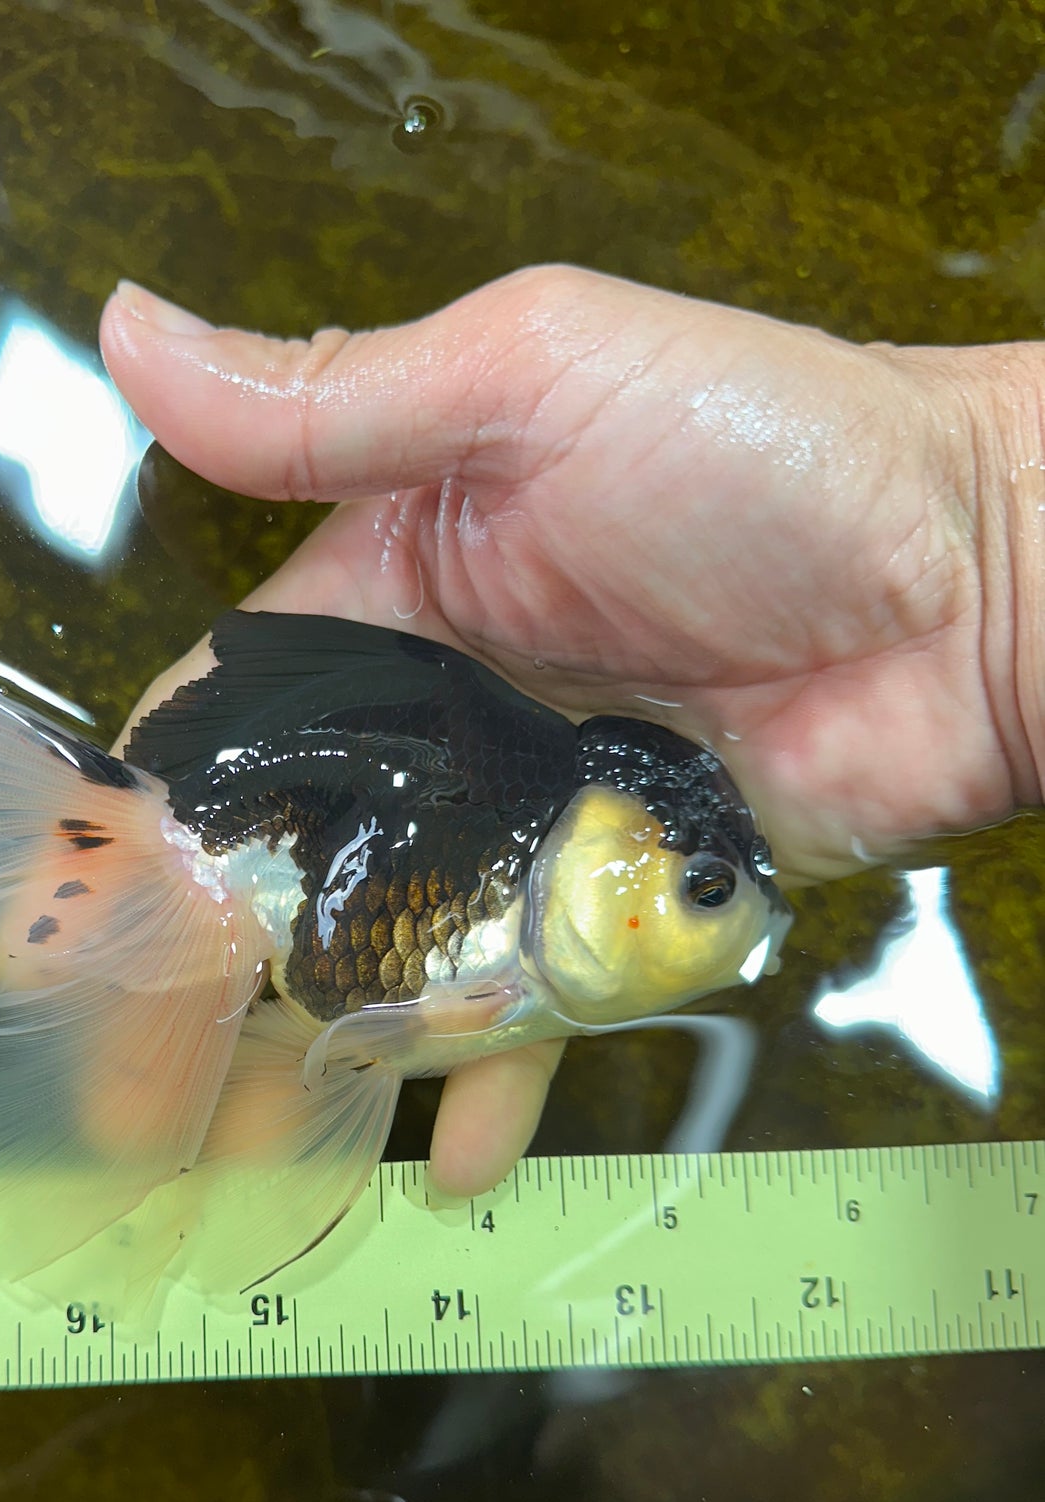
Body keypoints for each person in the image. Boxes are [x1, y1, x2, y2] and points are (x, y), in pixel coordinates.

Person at [98, 264, 1045, 1197]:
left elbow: (366, 1036)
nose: (747, 929)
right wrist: (979, 526)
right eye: (704, 890)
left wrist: (987, 526)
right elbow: (370, 1033)